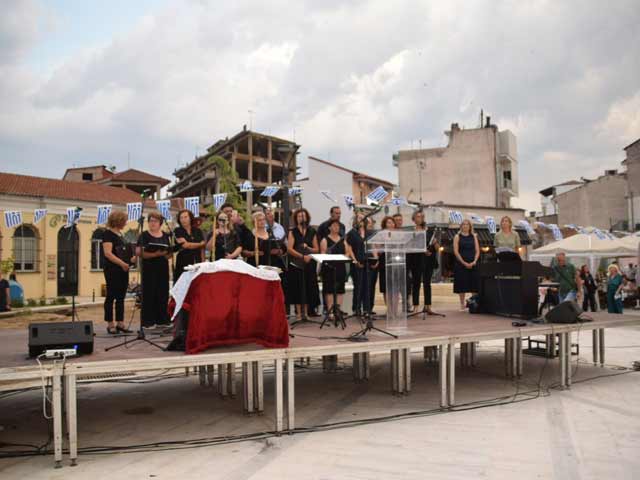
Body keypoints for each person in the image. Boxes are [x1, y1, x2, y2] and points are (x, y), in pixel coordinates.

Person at [102, 210, 136, 334]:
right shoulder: (108, 234)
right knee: (111, 296)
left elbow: (123, 253)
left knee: (121, 297)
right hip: (112, 269)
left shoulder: (121, 235)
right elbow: (108, 253)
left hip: (123, 269)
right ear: (118, 221)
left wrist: (132, 258)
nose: (126, 223)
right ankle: (110, 324)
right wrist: (122, 263)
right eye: (124, 221)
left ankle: (120, 323)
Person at [136, 212, 172, 328]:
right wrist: (155, 254)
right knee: (149, 294)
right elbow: (138, 252)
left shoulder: (165, 235)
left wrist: (169, 253)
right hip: (149, 267)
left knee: (162, 293)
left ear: (160, 223)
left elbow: (168, 254)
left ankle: (161, 320)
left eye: (155, 221)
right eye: (151, 221)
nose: (152, 223)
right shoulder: (144, 235)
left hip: (162, 267)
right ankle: (148, 321)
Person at [287, 208, 320, 320]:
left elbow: (316, 249)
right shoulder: (293, 232)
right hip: (296, 263)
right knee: (297, 287)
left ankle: (306, 313)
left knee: (308, 287)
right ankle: (298, 313)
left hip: (309, 263)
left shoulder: (312, 231)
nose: (302, 218)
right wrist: (302, 256)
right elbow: (289, 249)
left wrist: (309, 250)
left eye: (304, 216)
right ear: (296, 218)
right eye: (300, 216)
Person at [408, 210, 440, 315]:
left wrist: (435, 243)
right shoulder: (411, 232)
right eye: (418, 216)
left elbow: (437, 248)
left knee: (427, 283)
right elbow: (410, 247)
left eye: (422, 216)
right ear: (413, 219)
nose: (420, 218)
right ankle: (415, 307)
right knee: (416, 283)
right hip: (416, 260)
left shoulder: (429, 231)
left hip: (428, 260)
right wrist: (421, 250)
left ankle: (428, 306)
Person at [346, 211, 375, 316]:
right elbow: (349, 249)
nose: (361, 219)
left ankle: (366, 309)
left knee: (367, 286)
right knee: (358, 286)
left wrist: (375, 259)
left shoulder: (369, 232)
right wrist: (355, 261)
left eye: (363, 218)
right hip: (357, 262)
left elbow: (372, 247)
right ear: (355, 220)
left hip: (367, 262)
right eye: (359, 218)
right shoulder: (352, 233)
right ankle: (356, 308)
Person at [320, 219, 347, 319]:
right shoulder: (325, 240)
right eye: (334, 225)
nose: (336, 227)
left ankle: (338, 311)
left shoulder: (343, 239)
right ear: (329, 227)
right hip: (329, 267)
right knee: (329, 290)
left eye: (338, 226)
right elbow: (323, 253)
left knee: (340, 290)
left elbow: (347, 252)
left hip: (340, 266)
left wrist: (344, 257)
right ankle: (330, 312)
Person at [453, 219, 480, 311]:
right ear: (461, 226)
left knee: (474, 284)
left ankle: (474, 303)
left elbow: (477, 251)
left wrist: (474, 261)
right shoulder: (457, 236)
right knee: (462, 284)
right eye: (463, 224)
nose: (465, 226)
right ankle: (462, 304)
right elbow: (456, 251)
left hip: (473, 263)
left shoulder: (474, 236)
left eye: (467, 224)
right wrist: (463, 262)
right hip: (461, 264)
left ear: (470, 226)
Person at [173, 209, 205, 283]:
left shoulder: (198, 231)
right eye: (181, 218)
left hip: (197, 261)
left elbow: (202, 248)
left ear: (190, 218)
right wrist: (200, 244)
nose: (183, 219)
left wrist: (203, 262)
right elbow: (186, 245)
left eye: (185, 217)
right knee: (182, 283)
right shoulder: (177, 231)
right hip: (183, 261)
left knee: (196, 283)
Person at [377, 216, 395, 304]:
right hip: (384, 260)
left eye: (392, 222)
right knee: (385, 287)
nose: (391, 224)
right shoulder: (381, 234)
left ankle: (394, 308)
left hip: (395, 261)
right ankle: (388, 307)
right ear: (384, 224)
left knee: (394, 286)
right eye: (388, 222)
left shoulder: (397, 234)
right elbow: (378, 248)